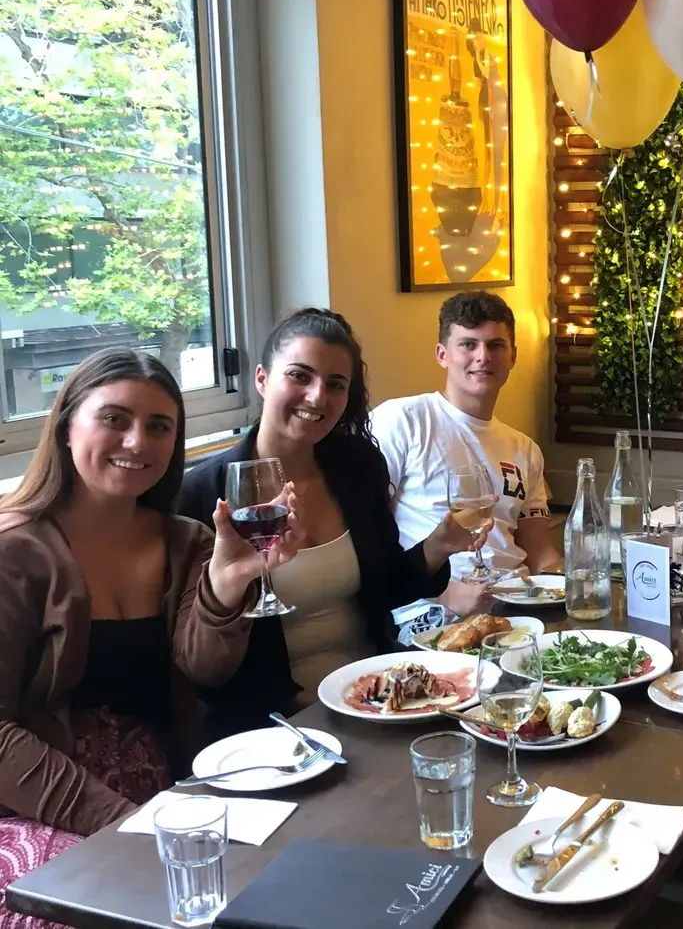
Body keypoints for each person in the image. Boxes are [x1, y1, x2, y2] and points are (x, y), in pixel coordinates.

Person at [0, 350, 282, 929]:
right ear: (66, 425)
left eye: (159, 426)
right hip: (34, 807)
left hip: (168, 796)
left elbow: (206, 671)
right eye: (114, 418)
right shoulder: (14, 553)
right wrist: (124, 818)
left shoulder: (187, 541)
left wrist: (228, 586)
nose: (137, 441)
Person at [177, 308, 481, 739]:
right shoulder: (205, 495)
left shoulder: (356, 467)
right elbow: (209, 668)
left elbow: (385, 586)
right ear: (262, 379)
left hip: (377, 694)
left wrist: (439, 545)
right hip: (276, 722)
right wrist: (318, 706)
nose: (318, 397)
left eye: (335, 384)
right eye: (300, 376)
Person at [371, 292, 558, 609]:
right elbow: (368, 541)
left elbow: (540, 552)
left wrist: (570, 585)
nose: (483, 356)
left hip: (518, 604)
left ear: (513, 356)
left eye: (495, 345)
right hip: (431, 609)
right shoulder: (402, 420)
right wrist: (442, 593)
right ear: (442, 354)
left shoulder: (525, 449)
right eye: (468, 344)